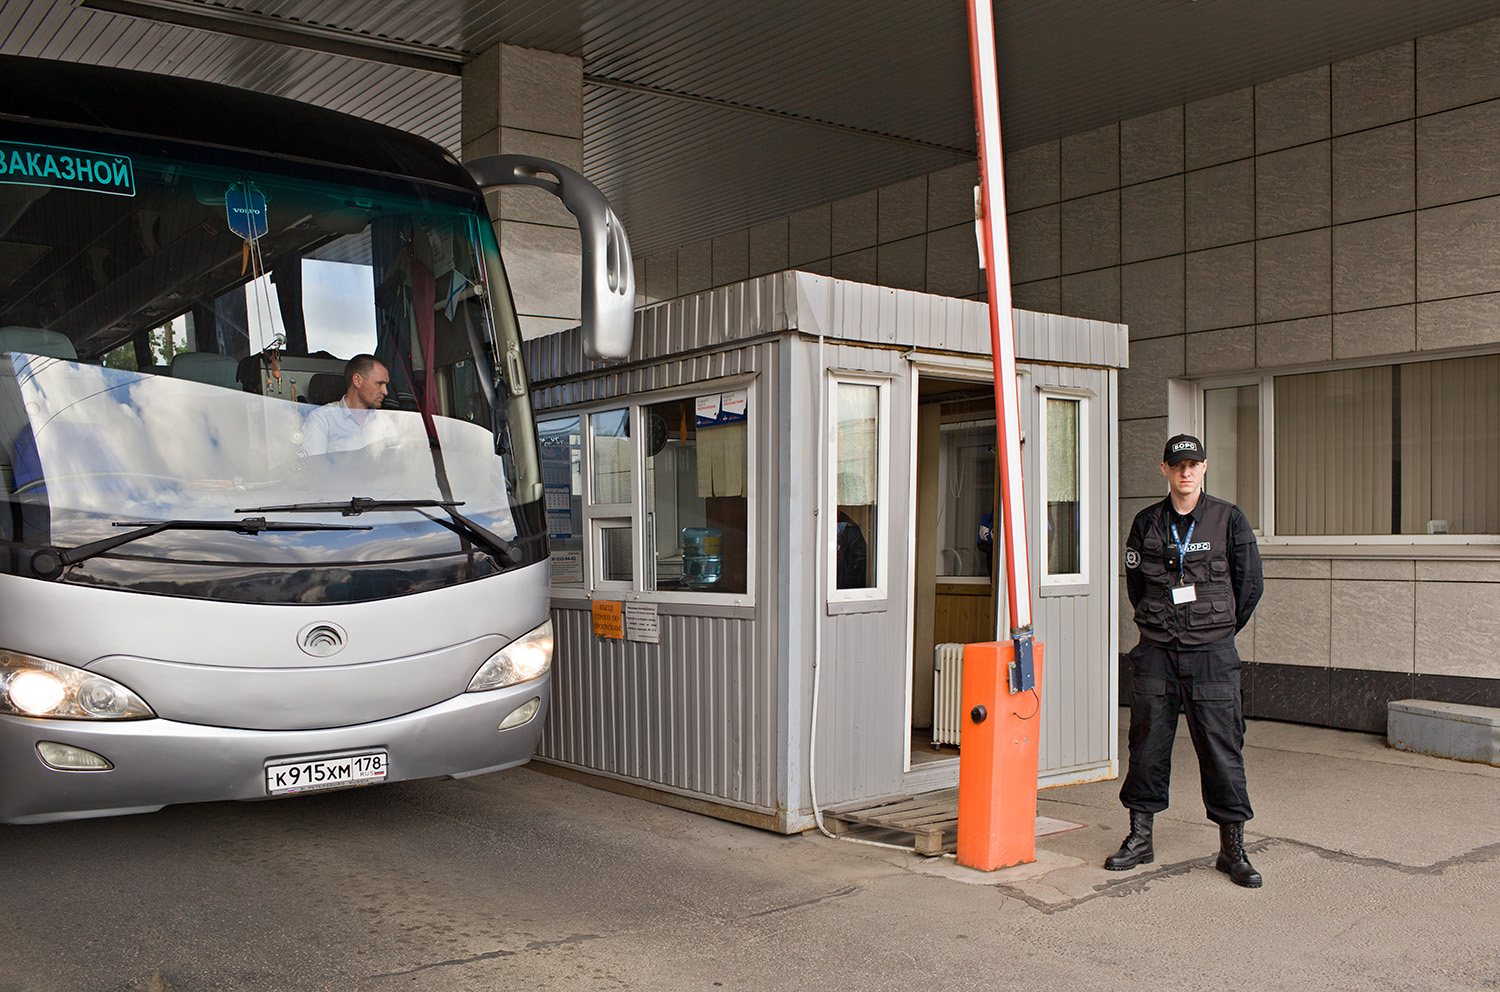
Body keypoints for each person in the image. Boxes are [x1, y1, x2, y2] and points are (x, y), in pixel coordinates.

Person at [1106, 433, 1265, 887]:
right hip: (1157, 650)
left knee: (1222, 748)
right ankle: (1140, 837)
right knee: (1147, 744)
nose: (1185, 472)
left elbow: (1248, 586)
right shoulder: (1147, 523)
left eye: (1193, 464)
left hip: (1212, 654)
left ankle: (1232, 848)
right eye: (1177, 465)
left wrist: (1216, 631)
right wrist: (1163, 625)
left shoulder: (1228, 520)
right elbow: (1137, 586)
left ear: (1204, 467)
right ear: (1164, 470)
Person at [299, 354, 397, 456]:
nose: (385, 392)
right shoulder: (322, 419)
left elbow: (395, 465)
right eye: (379, 384)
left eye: (385, 385)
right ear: (357, 381)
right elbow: (314, 467)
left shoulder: (385, 423)